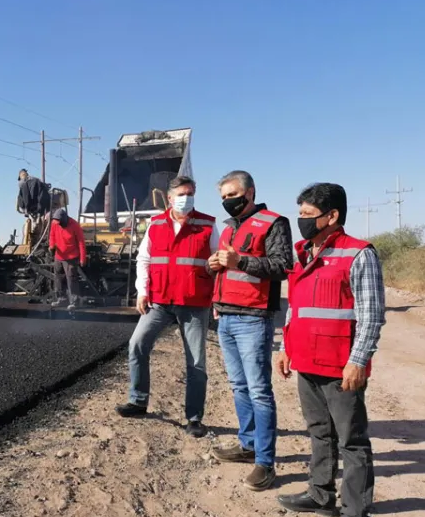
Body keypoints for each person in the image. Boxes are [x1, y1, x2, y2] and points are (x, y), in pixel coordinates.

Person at [276, 183, 385, 517]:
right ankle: (320, 494)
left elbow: (371, 316)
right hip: (305, 360)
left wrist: (358, 361)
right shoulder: (304, 253)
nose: (301, 222)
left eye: (307, 215)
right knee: (319, 433)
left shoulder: (358, 255)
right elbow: (295, 307)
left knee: (353, 442)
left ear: (332, 216)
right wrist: (284, 346)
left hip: (341, 367)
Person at [208, 170, 293, 491]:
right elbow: (222, 267)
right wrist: (213, 264)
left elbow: (282, 266)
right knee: (238, 386)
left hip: (254, 318)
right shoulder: (230, 228)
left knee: (259, 390)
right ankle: (247, 445)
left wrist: (239, 262)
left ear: (250, 192)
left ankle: (265, 463)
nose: (228, 202)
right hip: (226, 316)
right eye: (224, 198)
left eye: (232, 195)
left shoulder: (273, 223)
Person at [115, 175, 218, 438]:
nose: (187, 198)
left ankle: (194, 418)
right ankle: (138, 400)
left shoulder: (207, 225)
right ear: (169, 198)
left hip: (194, 304)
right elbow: (144, 259)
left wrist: (217, 298)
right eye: (182, 193)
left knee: (196, 362)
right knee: (137, 344)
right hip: (159, 301)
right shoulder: (156, 223)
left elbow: (218, 264)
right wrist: (142, 291)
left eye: (191, 193)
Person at [48, 208, 86, 308]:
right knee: (58, 278)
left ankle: (75, 302)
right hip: (59, 256)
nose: (58, 223)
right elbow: (52, 235)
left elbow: (81, 242)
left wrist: (82, 258)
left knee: (71, 278)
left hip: (71, 257)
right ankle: (62, 299)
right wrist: (51, 245)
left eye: (60, 222)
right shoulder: (54, 223)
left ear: (64, 219)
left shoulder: (75, 225)